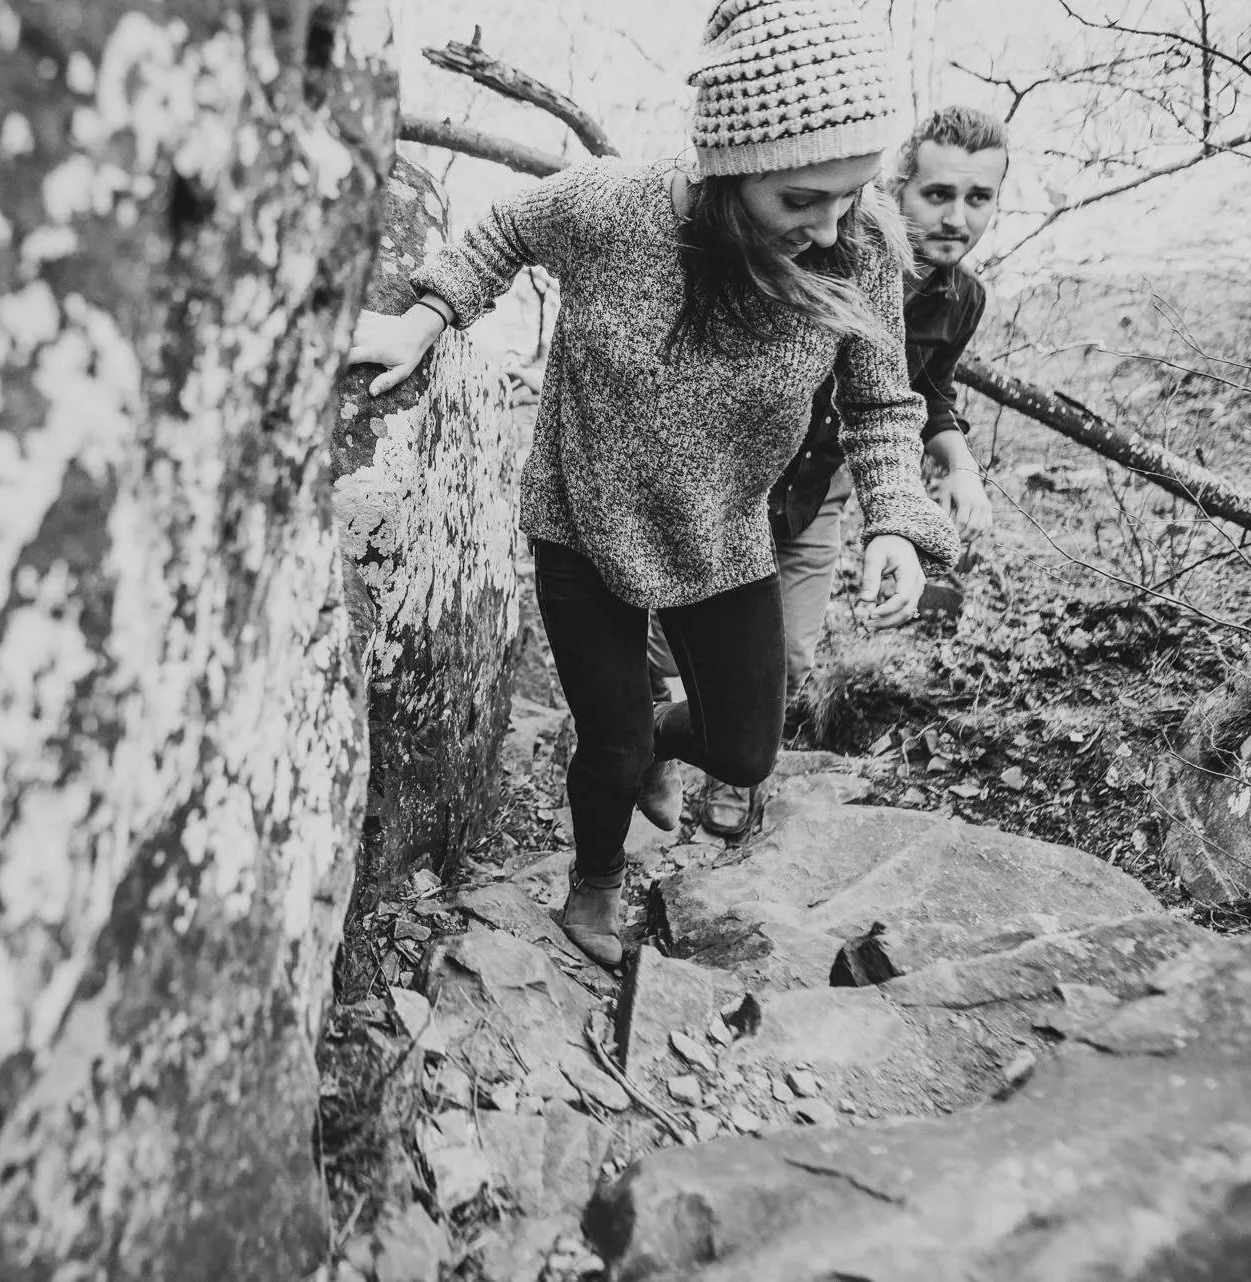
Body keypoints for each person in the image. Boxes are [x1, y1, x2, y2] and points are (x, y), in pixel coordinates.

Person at [348, 0, 958, 966]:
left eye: (854, 190)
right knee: (612, 744)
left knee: (746, 749)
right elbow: (506, 226)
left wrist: (895, 520)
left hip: (723, 531)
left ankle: (645, 740)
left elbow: (883, 402)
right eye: (801, 198)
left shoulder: (865, 243)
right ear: (731, 166)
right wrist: (427, 314)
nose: (830, 224)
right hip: (582, 523)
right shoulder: (617, 208)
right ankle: (592, 888)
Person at [686, 105, 1009, 838]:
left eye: (979, 198)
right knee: (668, 637)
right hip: (734, 474)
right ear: (895, 186)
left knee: (789, 655)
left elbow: (924, 393)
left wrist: (958, 464)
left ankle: (731, 773)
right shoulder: (823, 251)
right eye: (938, 194)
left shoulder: (964, 300)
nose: (958, 217)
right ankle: (642, 746)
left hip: (820, 492)